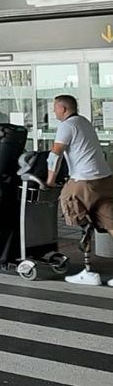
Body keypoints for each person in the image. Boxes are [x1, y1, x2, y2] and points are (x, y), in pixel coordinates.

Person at [46, 95, 113, 285]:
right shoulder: (84, 121)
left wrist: (50, 180)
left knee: (70, 205)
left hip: (84, 180)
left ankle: (88, 271)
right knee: (110, 224)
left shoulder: (66, 126)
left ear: (64, 109)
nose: (54, 111)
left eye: (55, 108)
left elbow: (55, 154)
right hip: (105, 180)